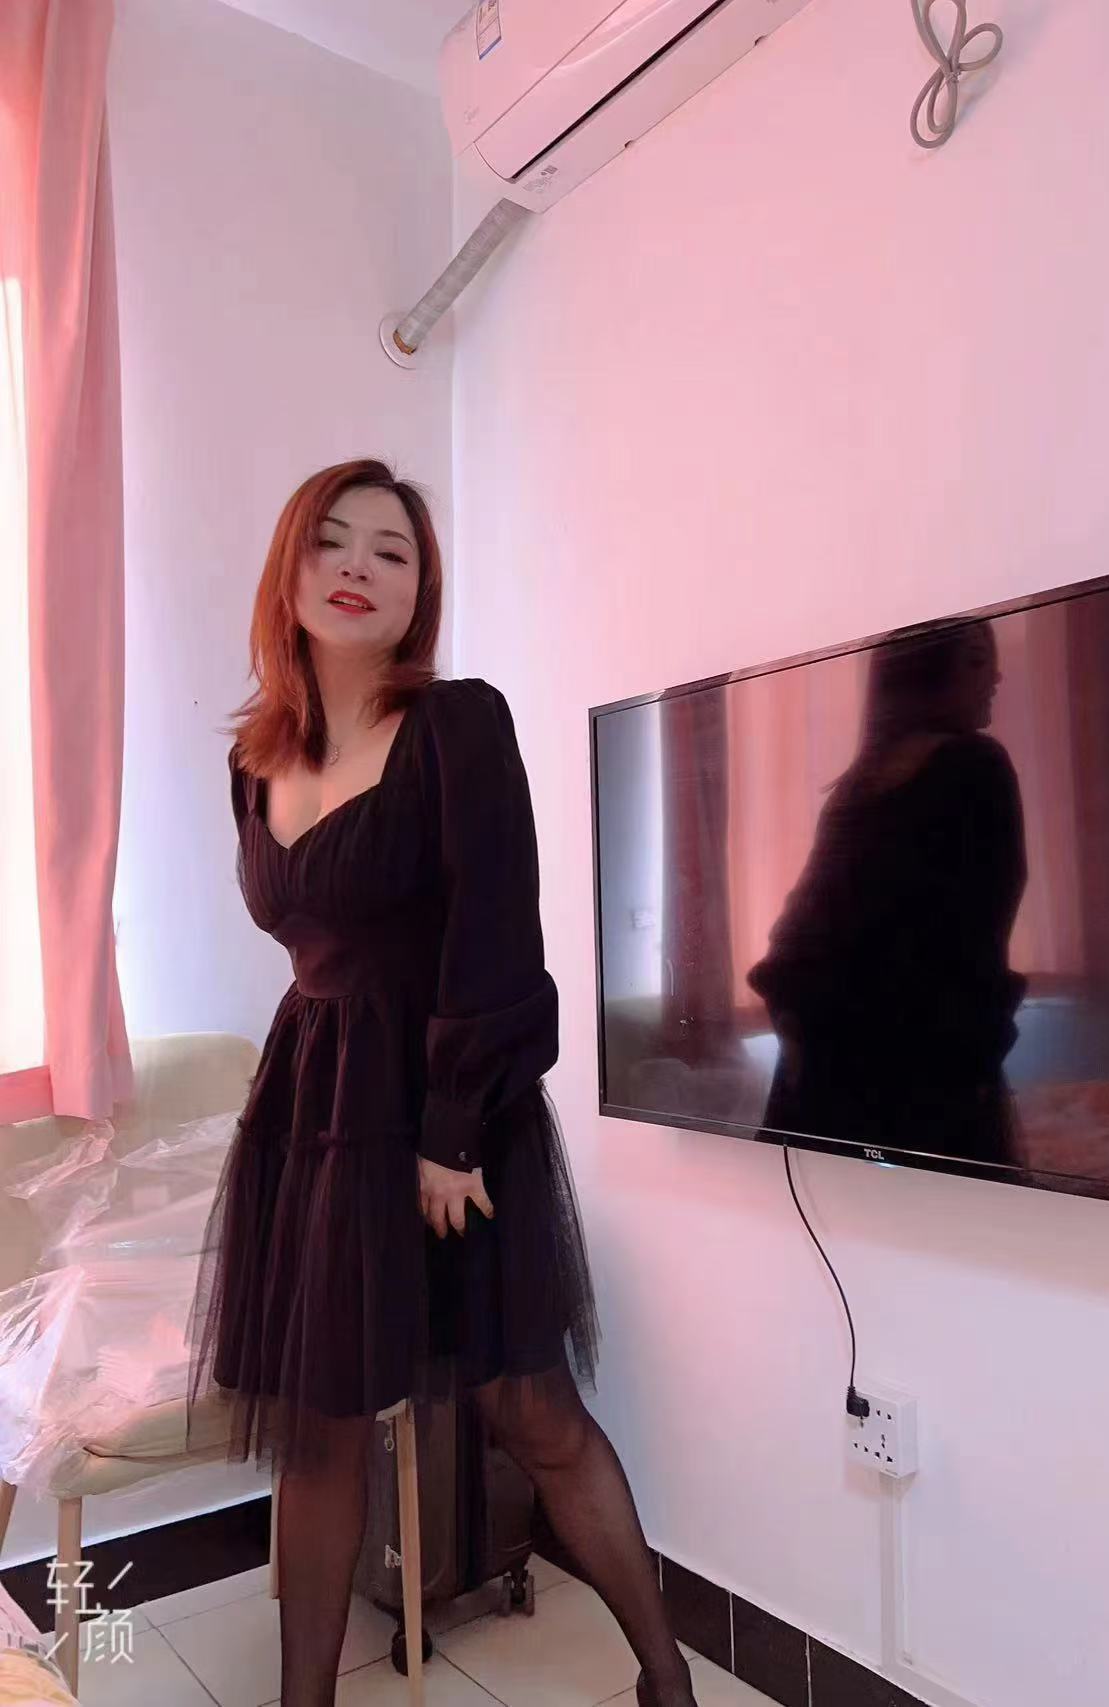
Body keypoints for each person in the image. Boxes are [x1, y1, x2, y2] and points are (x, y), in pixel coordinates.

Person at [184, 460, 696, 1707]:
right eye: (333, 542)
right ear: (290, 570)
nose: (359, 567)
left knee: (531, 1414)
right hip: (316, 1114)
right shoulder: (254, 759)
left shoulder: (459, 724)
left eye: (392, 551)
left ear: (422, 589)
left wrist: (454, 1133)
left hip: (446, 1115)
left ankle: (666, 1680)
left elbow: (497, 931)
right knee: (319, 1436)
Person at [748, 621, 1028, 1166]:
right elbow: (975, 944)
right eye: (976, 661)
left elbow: (797, 938)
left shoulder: (854, 793)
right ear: (924, 674)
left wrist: (803, 1038)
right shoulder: (975, 769)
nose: (995, 677)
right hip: (925, 1086)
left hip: (827, 1087)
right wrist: (973, 1071)